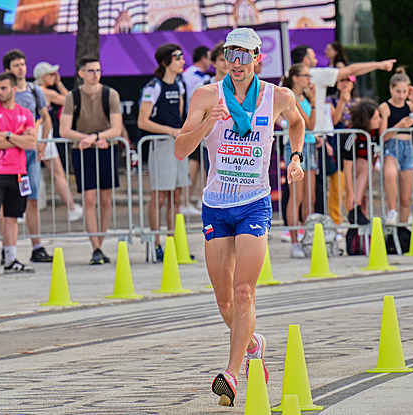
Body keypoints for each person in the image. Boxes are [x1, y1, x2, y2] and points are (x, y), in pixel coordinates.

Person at [173, 28, 305, 407]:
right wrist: (206, 124)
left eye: (245, 55)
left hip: (254, 203)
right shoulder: (206, 96)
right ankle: (254, 345)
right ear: (224, 58)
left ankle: (231, 373)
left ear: (258, 59)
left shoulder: (278, 96)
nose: (238, 62)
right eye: (232, 54)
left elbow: (297, 123)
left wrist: (295, 158)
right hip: (217, 203)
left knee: (245, 291)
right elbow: (181, 150)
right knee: (226, 300)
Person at [0, 49, 54, 264]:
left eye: (23, 64)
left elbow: (44, 117)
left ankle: (36, 246)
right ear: (8, 71)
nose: (21, 68)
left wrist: (41, 142)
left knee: (32, 198)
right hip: (2, 159)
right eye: (16, 65)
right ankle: (3, 249)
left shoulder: (33, 90)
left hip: (27, 156)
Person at [59, 55, 123, 264]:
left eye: (98, 70)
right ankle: (95, 246)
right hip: (83, 150)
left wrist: (97, 138)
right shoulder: (73, 96)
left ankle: (100, 243)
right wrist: (86, 139)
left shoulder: (109, 94)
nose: (95, 75)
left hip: (105, 148)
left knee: (105, 198)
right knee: (89, 198)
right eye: (91, 71)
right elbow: (64, 130)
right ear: (81, 74)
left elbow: (116, 128)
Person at [0, 72, 37, 275]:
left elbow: (31, 143)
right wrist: (18, 138)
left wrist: (10, 135)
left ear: (13, 89)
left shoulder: (25, 113)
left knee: (12, 216)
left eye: (3, 88)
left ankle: (11, 258)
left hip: (18, 171)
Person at [138, 44, 189, 261]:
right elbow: (142, 121)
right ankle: (156, 242)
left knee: (176, 195)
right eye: (177, 58)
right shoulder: (153, 86)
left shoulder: (180, 85)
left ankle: (174, 241)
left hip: (177, 144)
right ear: (166, 61)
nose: (182, 61)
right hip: (160, 144)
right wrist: (170, 131)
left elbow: (180, 116)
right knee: (160, 195)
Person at [290, 44, 395, 136]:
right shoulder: (315, 74)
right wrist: (379, 65)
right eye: (313, 57)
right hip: (310, 136)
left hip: (307, 137)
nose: (316, 60)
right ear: (306, 60)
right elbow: (350, 70)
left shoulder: (287, 79)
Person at [33, 61, 83, 222]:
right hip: (42, 133)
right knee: (57, 173)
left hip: (31, 132)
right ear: (43, 77)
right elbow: (70, 100)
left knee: (26, 171)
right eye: (51, 75)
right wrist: (60, 84)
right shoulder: (46, 92)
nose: (54, 77)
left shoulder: (30, 90)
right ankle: (71, 208)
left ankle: (22, 211)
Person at [378, 69, 413, 225]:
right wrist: (398, 126)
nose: (401, 95)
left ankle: (403, 227)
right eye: (398, 91)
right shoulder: (385, 107)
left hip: (407, 146)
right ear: (391, 89)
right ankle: (392, 210)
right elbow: (382, 136)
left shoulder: (409, 105)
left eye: (404, 91)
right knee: (390, 174)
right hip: (391, 146)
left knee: (406, 197)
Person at [281, 63, 317, 258]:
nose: (308, 79)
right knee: (297, 197)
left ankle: (307, 237)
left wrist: (312, 101)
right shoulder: (291, 98)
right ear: (295, 78)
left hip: (309, 145)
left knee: (309, 197)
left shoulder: (303, 97)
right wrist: (313, 102)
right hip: (297, 147)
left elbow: (313, 125)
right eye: (305, 75)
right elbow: (309, 124)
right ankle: (294, 241)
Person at [325, 75, 360, 227]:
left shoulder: (358, 103)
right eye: (342, 80)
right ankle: (336, 220)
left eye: (348, 80)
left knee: (355, 183)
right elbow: (334, 120)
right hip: (338, 144)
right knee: (338, 184)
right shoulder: (330, 101)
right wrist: (342, 101)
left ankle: (354, 217)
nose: (345, 84)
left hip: (355, 144)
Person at [181, 46, 212, 215]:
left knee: (197, 162)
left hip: (190, 120)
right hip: (197, 122)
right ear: (203, 59)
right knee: (197, 162)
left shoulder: (185, 74)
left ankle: (190, 200)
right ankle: (192, 200)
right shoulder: (202, 78)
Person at [342, 98, 381, 224]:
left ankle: (361, 237)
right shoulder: (353, 134)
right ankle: (355, 206)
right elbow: (347, 167)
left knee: (365, 201)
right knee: (365, 166)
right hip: (354, 167)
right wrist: (351, 194)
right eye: (375, 118)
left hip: (365, 172)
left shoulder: (375, 133)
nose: (379, 120)